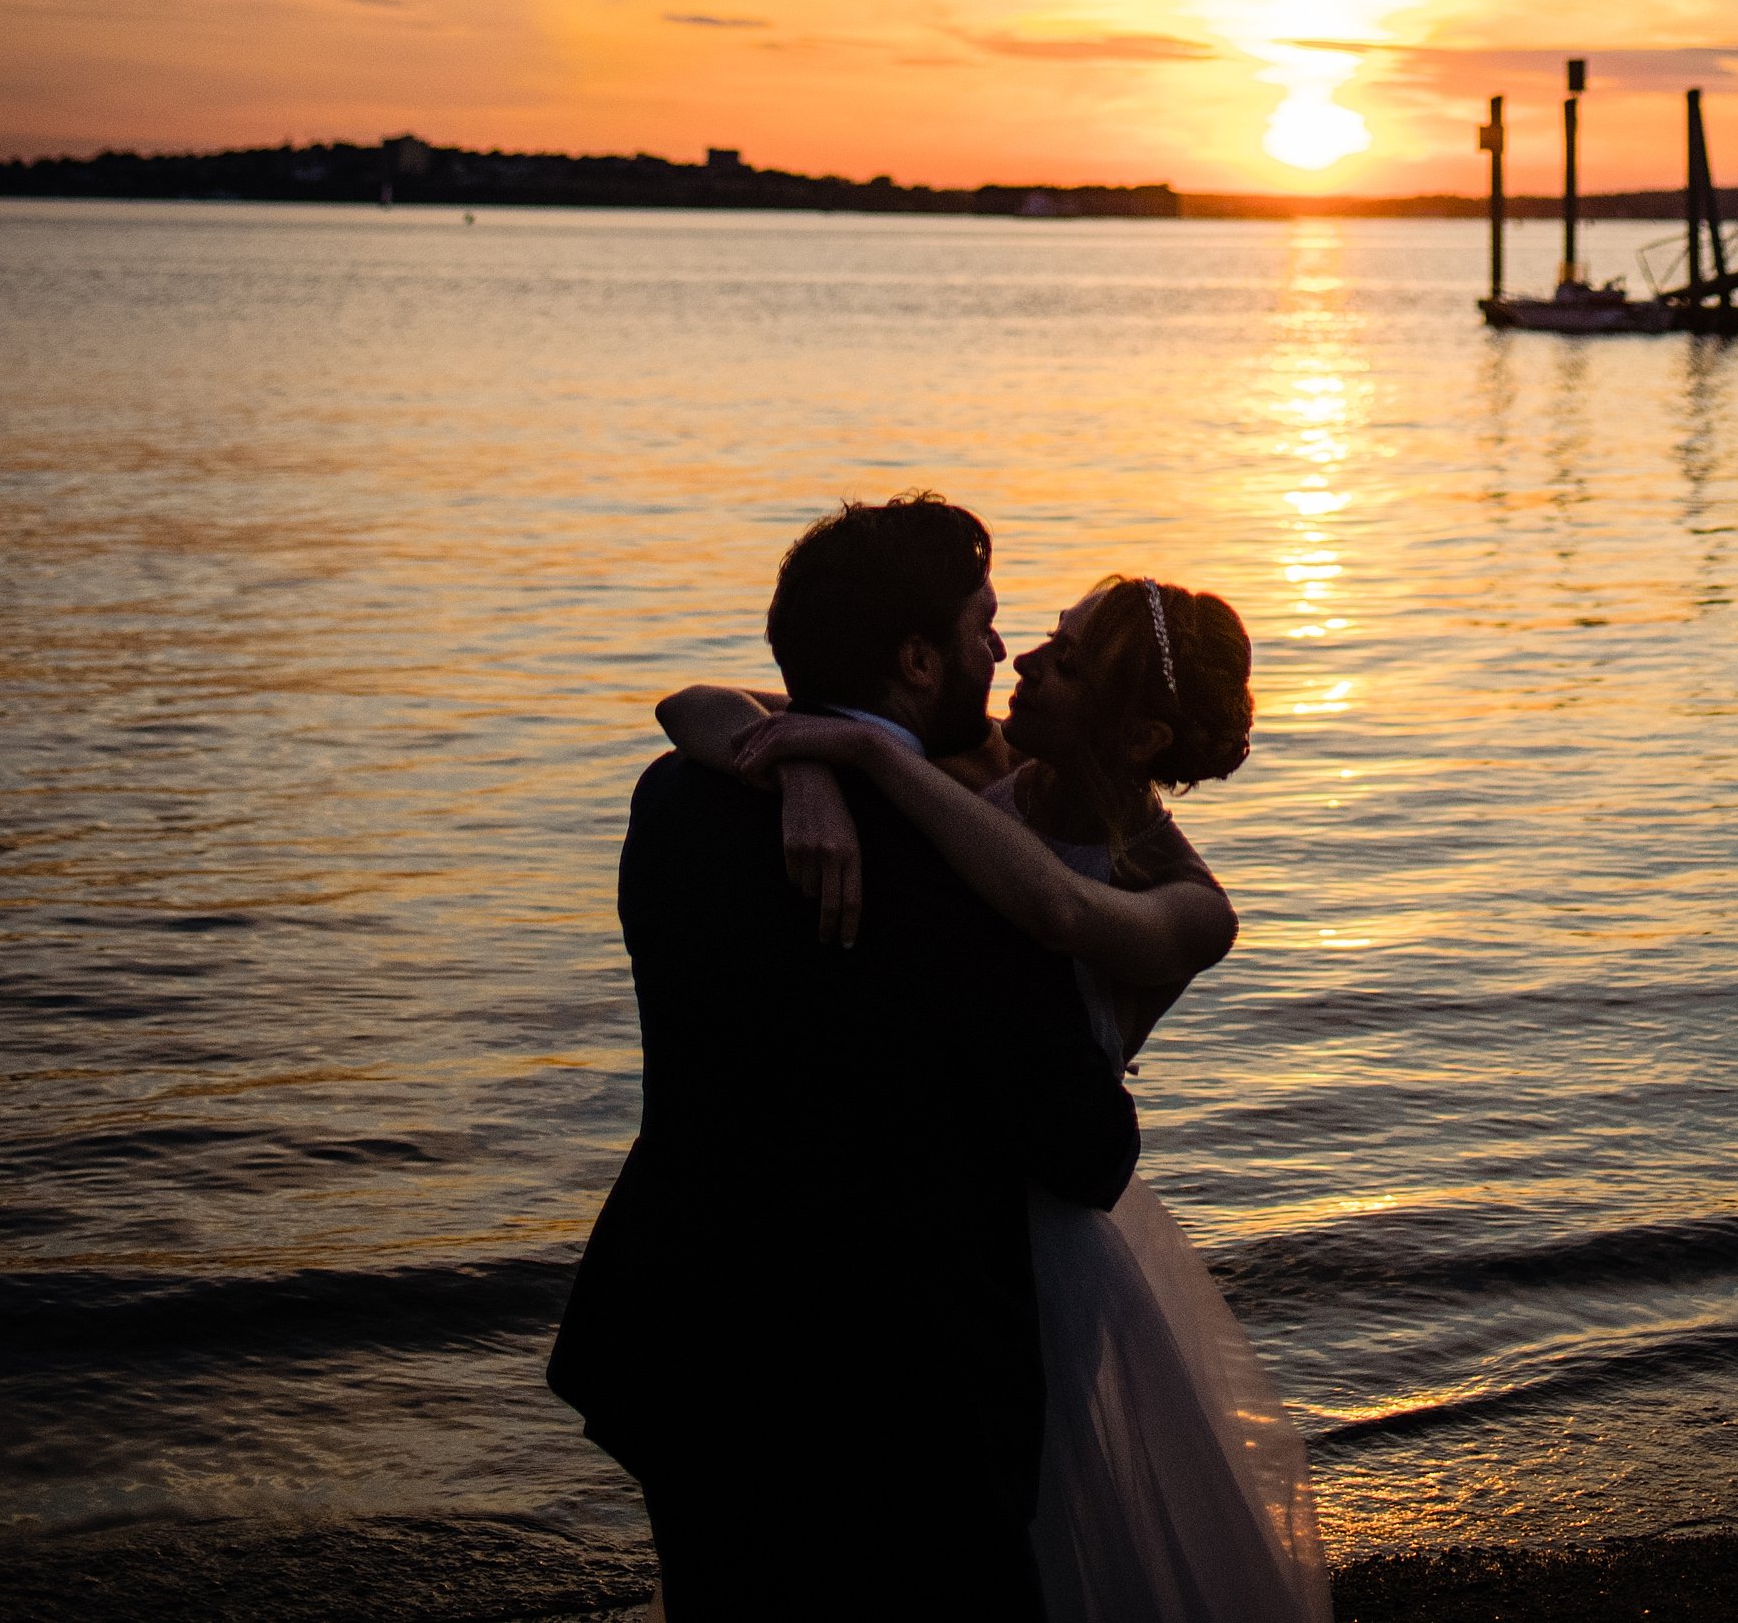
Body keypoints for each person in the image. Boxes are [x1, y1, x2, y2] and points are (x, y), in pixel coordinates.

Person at [661, 568, 1332, 1623]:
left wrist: (870, 757)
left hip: (1039, 1228)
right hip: (913, 1189)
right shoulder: (975, 760)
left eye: (1063, 662)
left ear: (1143, 737)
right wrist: (806, 777)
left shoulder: (1186, 905)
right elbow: (694, 706)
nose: (1021, 659)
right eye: (1043, 638)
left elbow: (1055, 911)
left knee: (1027, 1529)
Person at [546, 494, 1138, 1623]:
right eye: (982, 625)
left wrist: (810, 762)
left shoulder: (673, 799)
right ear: (916, 661)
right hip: (898, 1397)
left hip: (694, 1350)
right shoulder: (973, 880)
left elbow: (701, 715)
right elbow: (1084, 1154)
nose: (1001, 650)